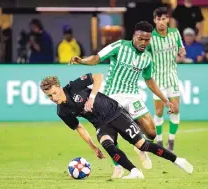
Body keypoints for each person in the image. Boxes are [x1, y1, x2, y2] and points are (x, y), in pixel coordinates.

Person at [70, 21, 174, 178]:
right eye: (141, 39)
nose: (144, 43)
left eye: (147, 40)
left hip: (132, 96)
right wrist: (82, 61)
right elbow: (97, 58)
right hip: (111, 96)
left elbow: (149, 80)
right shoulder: (119, 46)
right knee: (111, 136)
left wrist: (165, 100)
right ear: (134, 36)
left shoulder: (147, 57)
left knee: (151, 132)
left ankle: (140, 147)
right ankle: (117, 166)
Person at [40, 72, 194, 179]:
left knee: (142, 145)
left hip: (115, 112)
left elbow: (98, 76)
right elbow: (79, 127)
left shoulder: (74, 87)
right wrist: (94, 147)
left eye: (54, 93)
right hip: (100, 123)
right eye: (49, 96)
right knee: (106, 143)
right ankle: (134, 171)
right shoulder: (62, 111)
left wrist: (92, 97)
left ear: (59, 87)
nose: (53, 97)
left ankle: (177, 160)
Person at [147, 7, 185, 150]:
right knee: (159, 111)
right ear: (154, 20)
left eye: (164, 19)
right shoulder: (150, 38)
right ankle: (158, 140)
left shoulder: (175, 33)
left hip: (172, 77)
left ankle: (171, 140)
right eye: (158, 19)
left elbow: (181, 48)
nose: (161, 22)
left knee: (175, 109)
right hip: (157, 79)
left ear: (168, 19)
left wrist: (182, 50)